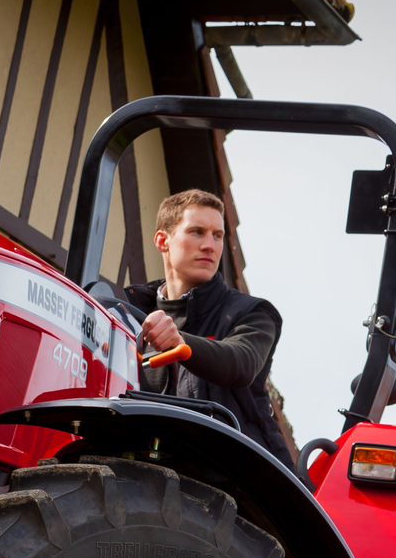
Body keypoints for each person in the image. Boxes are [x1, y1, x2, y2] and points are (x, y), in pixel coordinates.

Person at [124, 189, 293, 467]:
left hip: (239, 475)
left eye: (217, 235)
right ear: (162, 241)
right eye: (197, 232)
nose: (210, 245)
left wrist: (181, 343)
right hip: (148, 471)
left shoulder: (253, 313)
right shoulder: (130, 316)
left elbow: (241, 363)